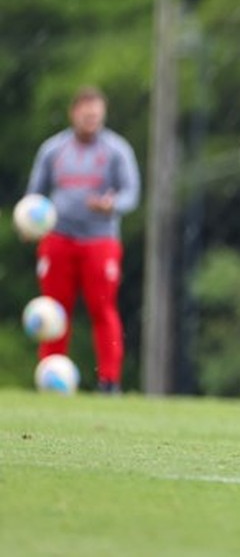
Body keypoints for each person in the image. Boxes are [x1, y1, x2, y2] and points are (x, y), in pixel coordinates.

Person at [23, 86, 141, 393]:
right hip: (58, 238)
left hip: (100, 241)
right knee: (54, 310)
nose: (91, 119)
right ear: (73, 113)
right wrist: (28, 222)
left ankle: (109, 380)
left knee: (103, 310)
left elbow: (131, 194)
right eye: (85, 114)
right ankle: (50, 374)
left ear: (103, 115)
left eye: (96, 115)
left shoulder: (116, 150)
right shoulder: (53, 149)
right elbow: (35, 194)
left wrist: (111, 205)